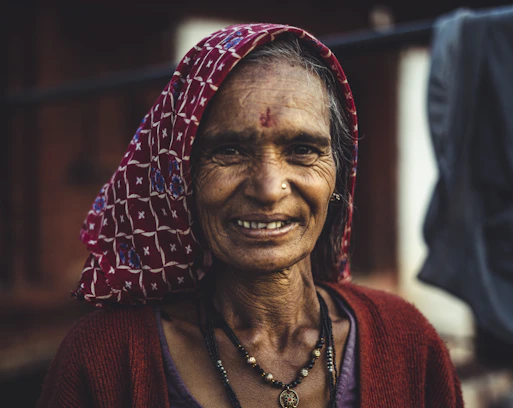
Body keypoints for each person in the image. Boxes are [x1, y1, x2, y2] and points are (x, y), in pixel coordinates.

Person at [38, 23, 463, 408]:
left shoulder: (406, 340)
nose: (267, 188)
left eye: (302, 150)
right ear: (181, 177)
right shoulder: (104, 358)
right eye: (229, 151)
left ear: (338, 177)